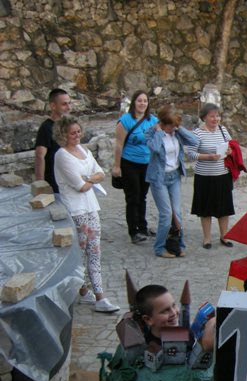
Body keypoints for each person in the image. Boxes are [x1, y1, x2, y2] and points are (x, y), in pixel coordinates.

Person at [52, 116, 119, 313]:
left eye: (78, 132)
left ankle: (96, 293)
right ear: (63, 135)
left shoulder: (84, 150)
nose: (77, 136)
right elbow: (79, 185)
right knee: (82, 252)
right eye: (72, 133)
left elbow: (101, 173)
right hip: (76, 210)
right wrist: (90, 180)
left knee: (95, 251)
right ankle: (88, 291)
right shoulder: (62, 155)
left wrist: (88, 178)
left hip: (91, 206)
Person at [145, 106, 198, 258]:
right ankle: (159, 248)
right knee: (166, 214)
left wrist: (179, 128)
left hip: (174, 176)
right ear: (162, 123)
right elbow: (155, 148)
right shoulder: (151, 132)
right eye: (170, 125)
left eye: (174, 125)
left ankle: (178, 245)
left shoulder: (176, 132)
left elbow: (195, 141)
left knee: (177, 212)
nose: (172, 128)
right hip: (159, 178)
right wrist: (159, 132)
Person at [111, 90, 159, 244]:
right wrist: (117, 166)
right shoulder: (125, 120)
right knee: (133, 196)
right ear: (134, 103)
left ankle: (142, 227)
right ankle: (134, 231)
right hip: (129, 162)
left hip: (146, 163)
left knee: (142, 196)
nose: (142, 103)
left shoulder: (153, 120)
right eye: (139, 100)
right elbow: (119, 144)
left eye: (145, 101)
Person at [187, 103, 235, 249]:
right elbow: (191, 154)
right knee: (205, 208)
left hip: (223, 174)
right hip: (205, 176)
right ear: (204, 118)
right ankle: (207, 238)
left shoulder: (223, 130)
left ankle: (224, 235)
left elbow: (231, 147)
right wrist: (207, 157)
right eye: (212, 116)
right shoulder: (197, 133)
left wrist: (230, 151)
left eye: (217, 116)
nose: (216, 119)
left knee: (224, 208)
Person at [34, 88, 71, 196]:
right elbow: (39, 156)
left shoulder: (68, 125)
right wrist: (40, 184)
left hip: (69, 181)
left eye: (69, 103)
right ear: (53, 106)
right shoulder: (46, 128)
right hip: (55, 184)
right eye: (64, 104)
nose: (69, 107)